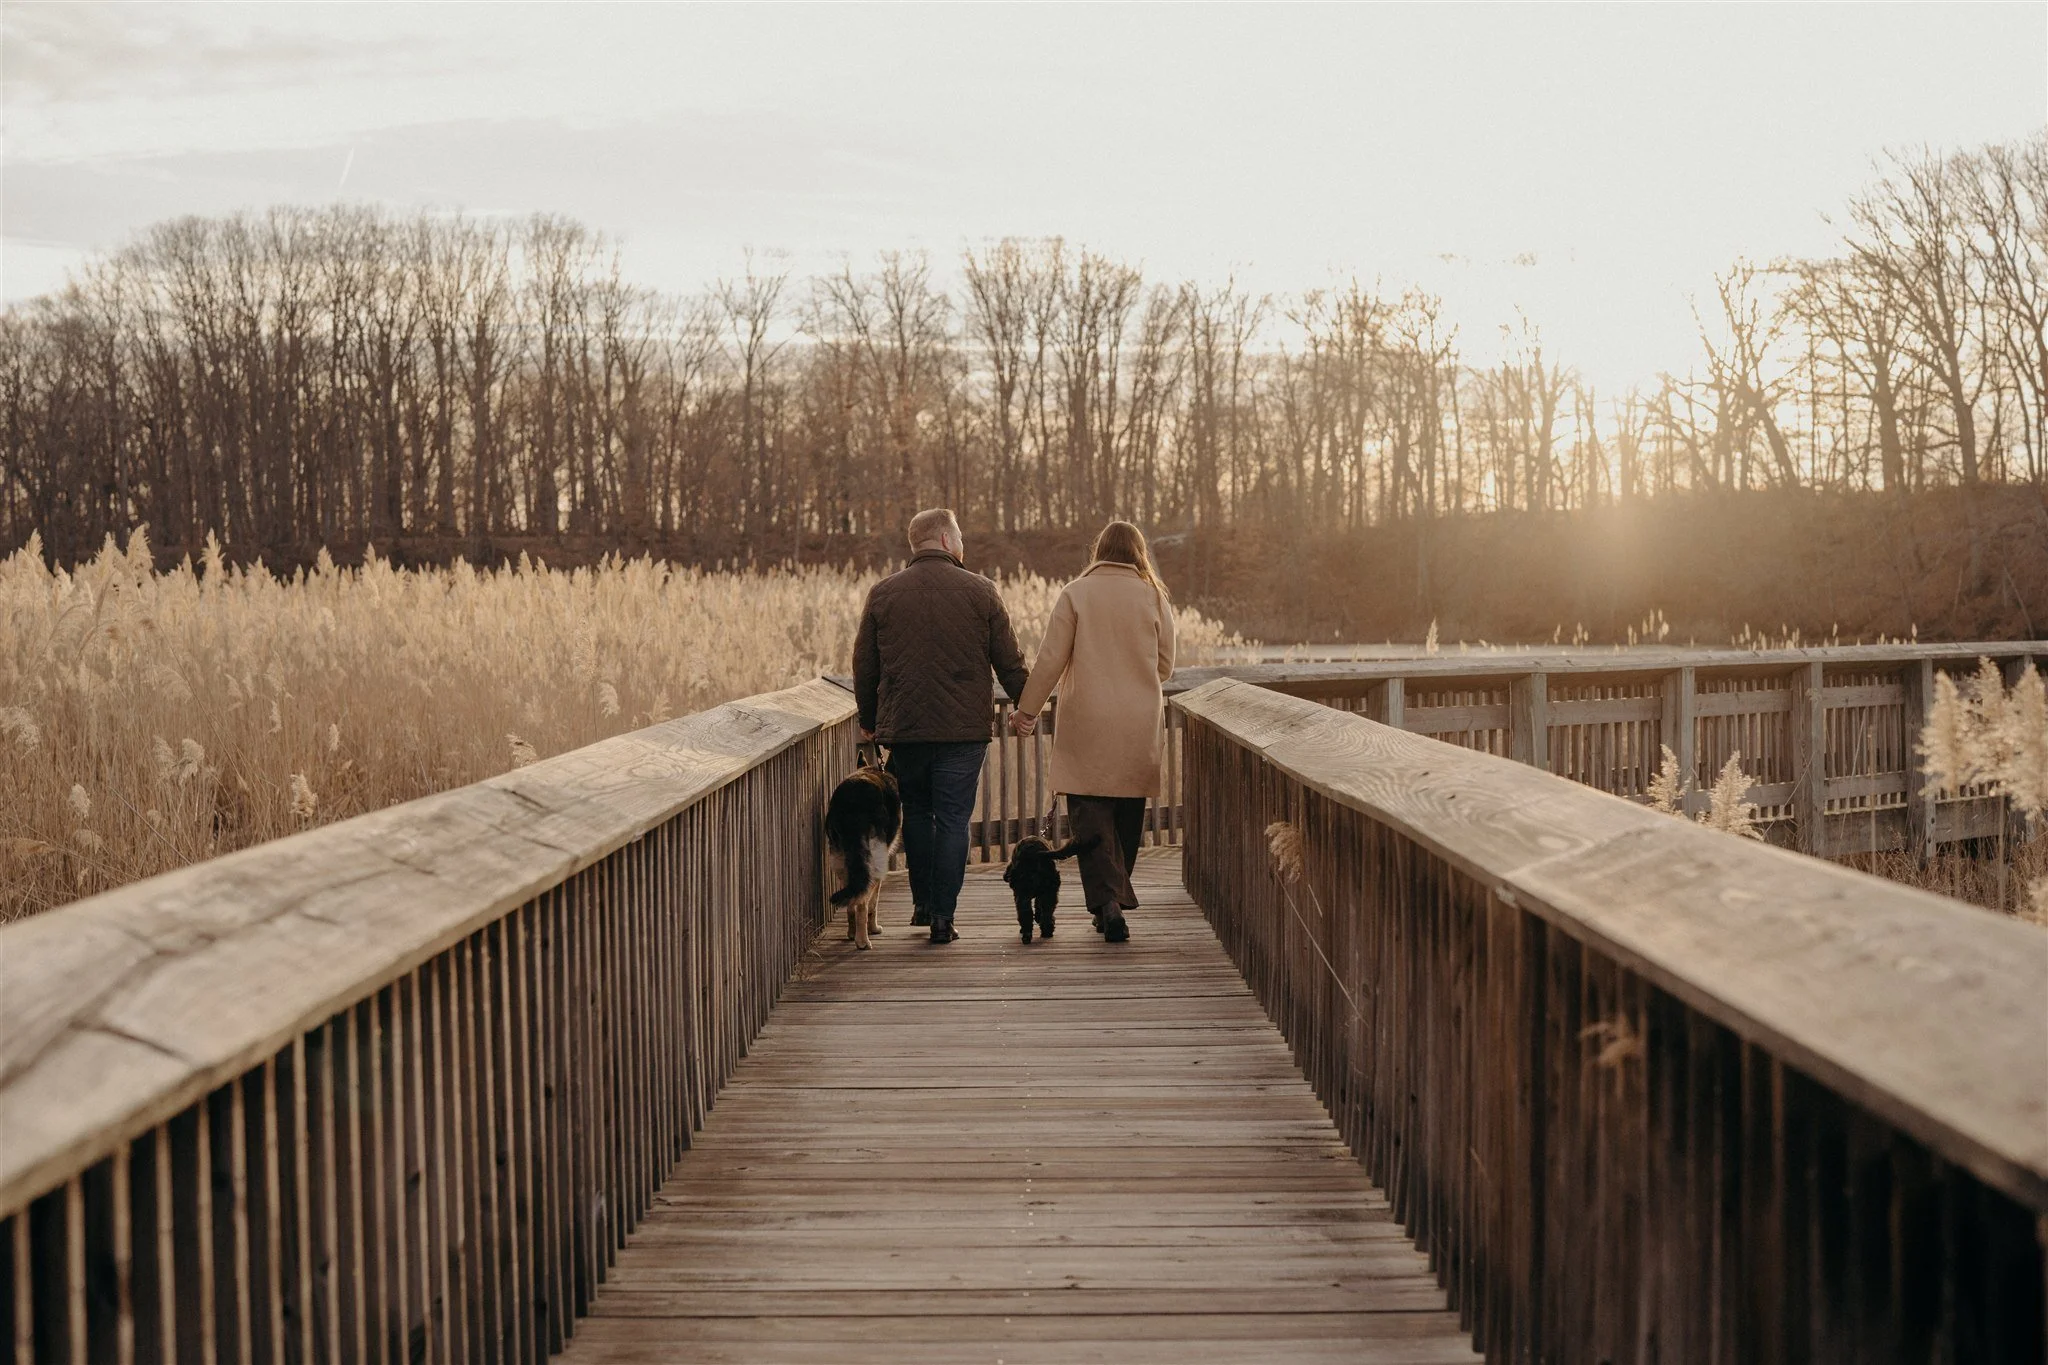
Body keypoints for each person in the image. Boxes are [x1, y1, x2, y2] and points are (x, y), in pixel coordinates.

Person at [853, 508, 1029, 944]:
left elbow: (865, 665)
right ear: (948, 540)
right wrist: (1027, 706)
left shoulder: (883, 593)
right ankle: (943, 918)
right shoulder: (981, 590)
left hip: (906, 728)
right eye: (960, 536)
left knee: (916, 814)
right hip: (963, 731)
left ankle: (923, 904)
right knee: (953, 819)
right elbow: (1009, 661)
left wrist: (870, 721)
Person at [1009, 521, 1177, 943]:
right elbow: (1165, 666)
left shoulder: (1076, 593)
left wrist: (1027, 711)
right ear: (1138, 553)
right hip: (1137, 721)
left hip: (1087, 721)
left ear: (1099, 550)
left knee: (1090, 818)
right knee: (1127, 818)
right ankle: (1112, 903)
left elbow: (1050, 659)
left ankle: (1108, 903)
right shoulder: (1154, 596)